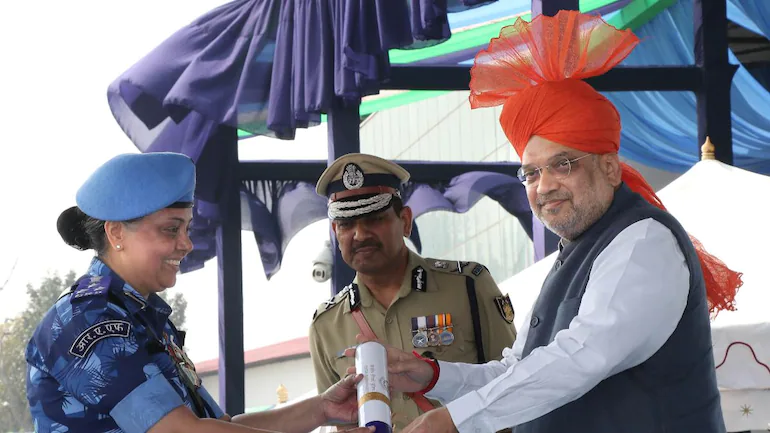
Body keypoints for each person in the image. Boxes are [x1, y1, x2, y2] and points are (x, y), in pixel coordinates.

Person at [345, 11, 742, 433]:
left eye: (563, 165)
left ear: (609, 169)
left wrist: (452, 422)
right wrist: (434, 375)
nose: (544, 186)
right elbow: (521, 368)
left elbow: (579, 358)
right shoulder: (579, 250)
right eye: (531, 173)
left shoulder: (642, 241)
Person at [25, 152, 375, 433]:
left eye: (187, 228)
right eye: (170, 229)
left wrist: (322, 409)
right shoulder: (88, 318)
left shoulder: (140, 317)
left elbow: (214, 425)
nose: (186, 244)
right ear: (116, 233)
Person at [309, 153, 518, 431]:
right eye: (346, 224)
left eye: (373, 219)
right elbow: (335, 419)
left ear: (405, 221)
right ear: (336, 232)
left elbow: (517, 381)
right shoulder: (325, 326)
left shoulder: (468, 286)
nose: (359, 235)